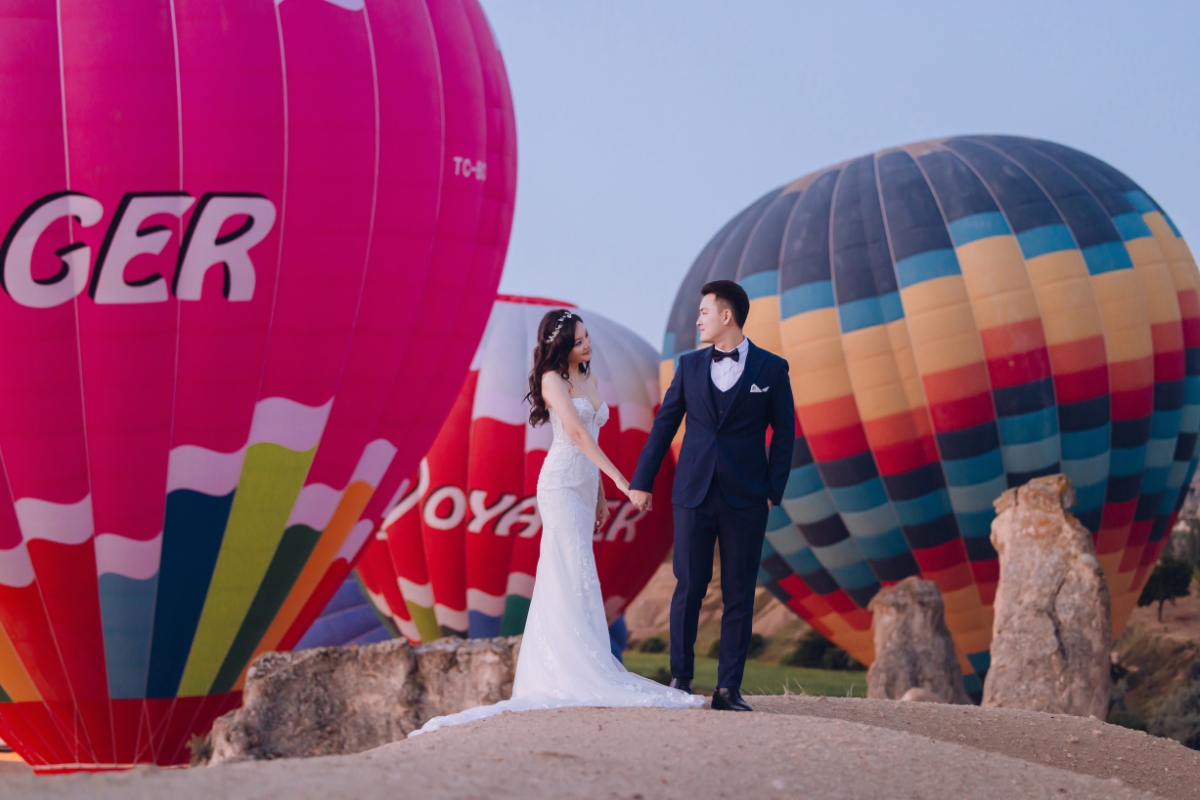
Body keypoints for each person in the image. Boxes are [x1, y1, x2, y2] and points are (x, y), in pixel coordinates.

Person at [410, 309, 702, 737]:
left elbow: (595, 436)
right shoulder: (552, 380)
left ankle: (584, 659)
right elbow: (578, 435)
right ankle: (568, 668)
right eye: (581, 340)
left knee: (580, 571)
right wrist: (620, 479)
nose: (588, 346)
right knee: (568, 568)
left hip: (585, 487)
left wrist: (600, 494)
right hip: (562, 483)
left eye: (588, 338)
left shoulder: (590, 379)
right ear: (560, 344)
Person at [629, 280, 795, 712]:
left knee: (739, 593)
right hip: (692, 493)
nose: (697, 319)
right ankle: (680, 681)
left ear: (726, 316)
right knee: (689, 586)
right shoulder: (687, 367)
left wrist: (773, 491)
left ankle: (727, 690)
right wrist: (641, 481)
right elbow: (664, 426)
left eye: (703, 312)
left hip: (747, 497)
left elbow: (785, 436)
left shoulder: (773, 369)